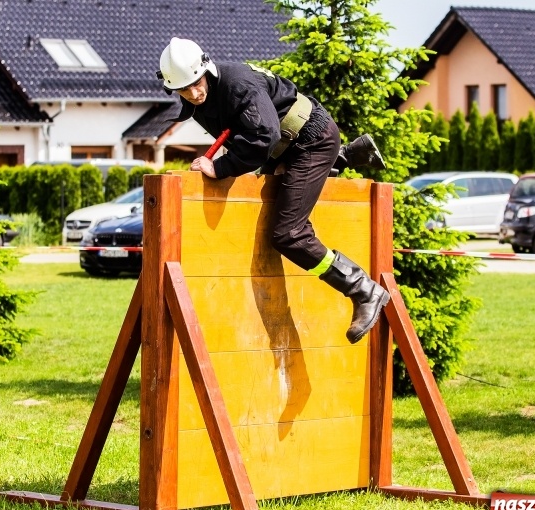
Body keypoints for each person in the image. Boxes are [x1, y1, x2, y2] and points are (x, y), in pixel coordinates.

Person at [157, 37, 389, 344]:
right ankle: (347, 155)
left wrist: (221, 167)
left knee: (289, 235)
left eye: (196, 84)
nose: (193, 94)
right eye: (183, 90)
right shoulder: (202, 98)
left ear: (206, 70)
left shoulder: (238, 85)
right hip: (286, 147)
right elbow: (246, 134)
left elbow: (264, 137)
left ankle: (362, 289)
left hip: (311, 141)